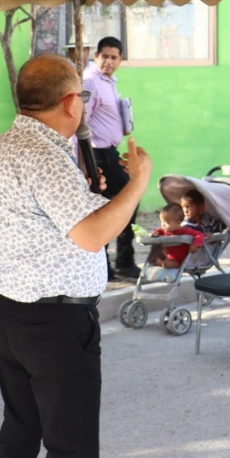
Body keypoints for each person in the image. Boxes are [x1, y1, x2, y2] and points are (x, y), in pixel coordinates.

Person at [0, 54, 149, 458]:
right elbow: (93, 234)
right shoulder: (45, 157)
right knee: (71, 450)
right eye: (84, 97)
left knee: (20, 431)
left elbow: (46, 221)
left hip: (10, 311)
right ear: (71, 102)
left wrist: (93, 192)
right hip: (54, 320)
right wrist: (137, 183)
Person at [82, 36, 139, 279]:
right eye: (104, 56)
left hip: (109, 152)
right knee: (118, 202)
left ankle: (118, 262)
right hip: (97, 154)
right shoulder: (90, 82)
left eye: (114, 57)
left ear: (120, 59)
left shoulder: (109, 81)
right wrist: (82, 160)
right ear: (96, 56)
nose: (109, 61)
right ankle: (112, 263)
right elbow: (81, 120)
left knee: (118, 203)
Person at [142, 204, 205, 283]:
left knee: (166, 264)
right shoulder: (166, 230)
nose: (163, 225)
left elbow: (199, 234)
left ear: (178, 222)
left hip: (181, 260)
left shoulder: (185, 231)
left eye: (167, 222)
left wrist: (196, 244)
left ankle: (167, 265)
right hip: (170, 256)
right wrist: (156, 233)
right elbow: (160, 230)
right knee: (155, 259)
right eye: (162, 222)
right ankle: (161, 264)